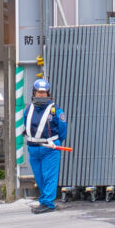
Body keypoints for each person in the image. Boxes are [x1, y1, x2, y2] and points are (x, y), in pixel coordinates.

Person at [24, 76, 68, 214]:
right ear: (34, 93)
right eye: (39, 92)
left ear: (48, 94)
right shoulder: (28, 109)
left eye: (44, 93)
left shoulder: (56, 111)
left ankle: (48, 203)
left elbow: (62, 130)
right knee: (39, 177)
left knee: (49, 176)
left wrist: (55, 143)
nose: (41, 95)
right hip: (33, 149)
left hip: (49, 148)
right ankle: (44, 200)